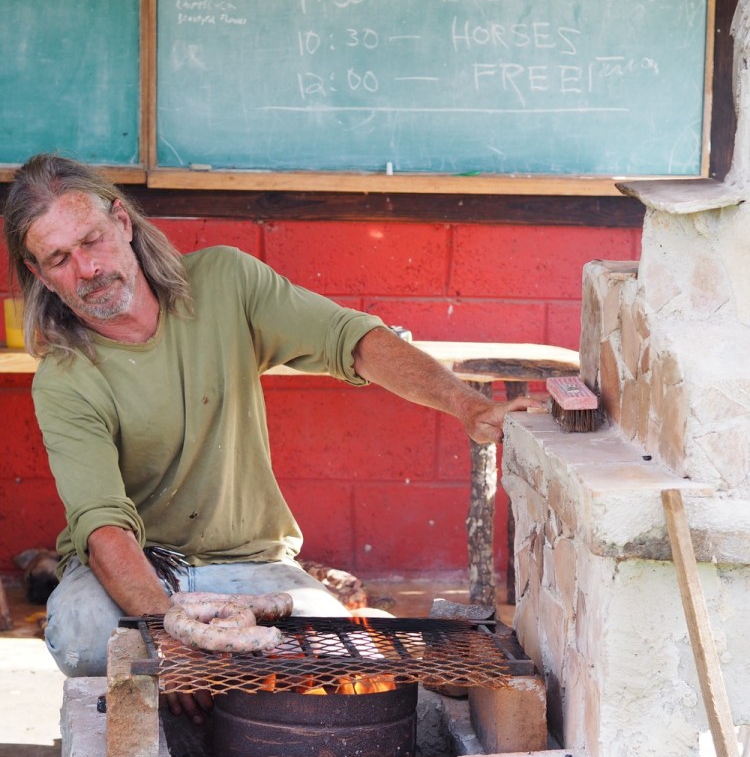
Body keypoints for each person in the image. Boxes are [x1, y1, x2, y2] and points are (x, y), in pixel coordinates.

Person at [4, 153, 536, 723]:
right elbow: (104, 527)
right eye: (59, 258)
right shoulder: (64, 377)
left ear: (123, 223)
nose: (86, 269)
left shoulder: (226, 281)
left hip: (250, 562)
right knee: (85, 637)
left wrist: (465, 404)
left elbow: (348, 338)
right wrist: (169, 635)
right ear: (40, 274)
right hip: (133, 572)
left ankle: (224, 700)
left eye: (92, 240)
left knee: (336, 651)